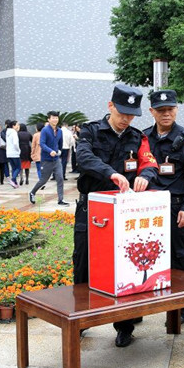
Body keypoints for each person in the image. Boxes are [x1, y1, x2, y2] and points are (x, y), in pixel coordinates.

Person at [73, 84, 158, 347]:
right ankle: (81, 320)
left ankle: (125, 326)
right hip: (91, 209)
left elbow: (149, 161)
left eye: (131, 115)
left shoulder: (137, 137)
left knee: (126, 266)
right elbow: (84, 158)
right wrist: (111, 173)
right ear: (110, 106)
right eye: (122, 113)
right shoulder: (90, 131)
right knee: (83, 263)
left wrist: (145, 175)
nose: (126, 119)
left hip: (123, 211)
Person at [143, 90, 184, 323]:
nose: (166, 114)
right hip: (147, 209)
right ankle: (139, 306)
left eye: (170, 109)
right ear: (152, 112)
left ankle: (181, 307)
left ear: (176, 110)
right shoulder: (143, 138)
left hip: (176, 208)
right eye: (161, 110)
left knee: (179, 257)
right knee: (145, 257)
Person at [28, 111, 69, 206]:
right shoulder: (45, 130)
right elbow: (42, 143)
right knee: (44, 180)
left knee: (60, 178)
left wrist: (58, 151)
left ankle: (60, 200)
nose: (55, 119)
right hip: (46, 160)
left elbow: (60, 143)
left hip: (56, 160)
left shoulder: (60, 131)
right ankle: (32, 192)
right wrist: (50, 151)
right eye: (53, 118)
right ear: (49, 119)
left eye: (56, 118)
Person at [5, 120, 22, 188]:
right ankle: (12, 180)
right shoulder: (14, 133)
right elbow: (15, 143)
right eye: (17, 125)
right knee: (18, 168)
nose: (18, 126)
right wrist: (18, 150)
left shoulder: (8, 132)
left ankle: (15, 183)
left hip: (9, 153)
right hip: (14, 153)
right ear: (13, 126)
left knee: (14, 168)